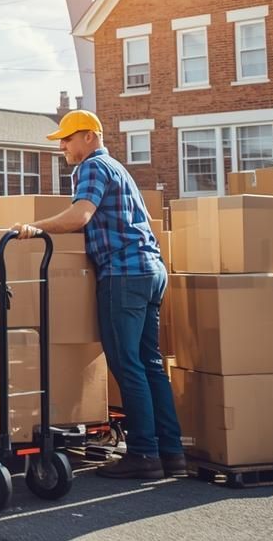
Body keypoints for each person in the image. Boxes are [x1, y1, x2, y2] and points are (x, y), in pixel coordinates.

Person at [11, 109, 183, 480]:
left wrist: (32, 228)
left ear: (90, 136)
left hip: (124, 274)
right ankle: (171, 452)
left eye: (68, 139)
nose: (63, 147)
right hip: (151, 271)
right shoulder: (119, 168)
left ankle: (143, 454)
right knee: (150, 366)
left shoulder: (91, 167)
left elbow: (80, 216)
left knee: (128, 366)